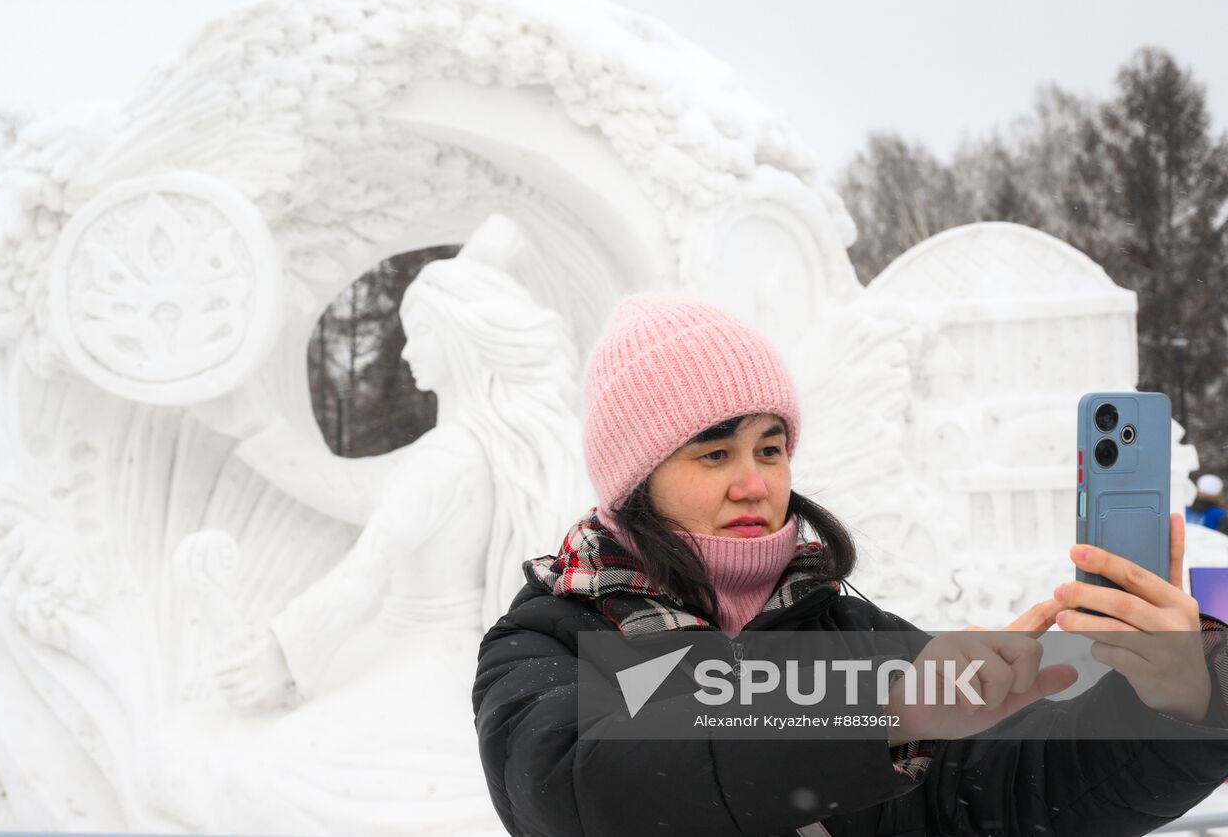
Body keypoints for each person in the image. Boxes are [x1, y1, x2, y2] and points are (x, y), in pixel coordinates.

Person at [473, 292, 1228, 837]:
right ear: (635, 480)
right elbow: (582, 789)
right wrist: (886, 715)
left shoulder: (857, 635)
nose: (756, 481)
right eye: (715, 452)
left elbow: (1015, 793)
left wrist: (1182, 701)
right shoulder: (547, 640)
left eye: (771, 447)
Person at [207, 238, 589, 836]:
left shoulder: (446, 458)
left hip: (428, 660)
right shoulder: (489, 449)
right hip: (449, 654)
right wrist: (255, 429)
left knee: (258, 775)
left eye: (421, 333)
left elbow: (366, 573)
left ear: (460, 338)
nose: (408, 351)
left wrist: (281, 654)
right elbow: (351, 490)